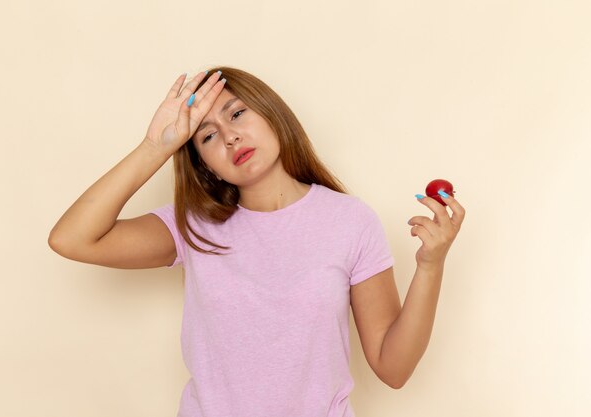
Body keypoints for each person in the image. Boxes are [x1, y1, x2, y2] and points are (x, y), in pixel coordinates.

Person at [48, 66, 465, 417]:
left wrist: (431, 266)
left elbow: (394, 369)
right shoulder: (192, 227)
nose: (229, 137)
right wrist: (155, 147)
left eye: (237, 113)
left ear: (271, 114)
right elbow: (72, 239)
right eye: (207, 137)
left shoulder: (350, 221)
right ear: (205, 166)